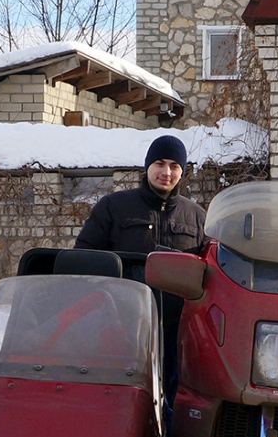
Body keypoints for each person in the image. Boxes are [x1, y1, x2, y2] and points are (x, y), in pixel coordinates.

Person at [75, 134, 207, 385]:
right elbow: (84, 256)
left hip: (176, 329)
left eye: (174, 166)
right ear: (147, 166)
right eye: (159, 163)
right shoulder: (114, 206)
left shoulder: (197, 217)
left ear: (182, 171)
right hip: (121, 327)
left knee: (173, 392)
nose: (166, 172)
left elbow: (208, 271)